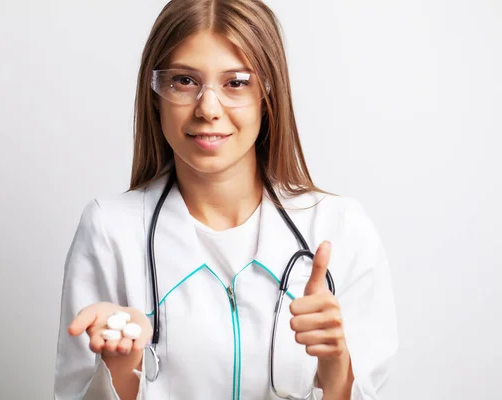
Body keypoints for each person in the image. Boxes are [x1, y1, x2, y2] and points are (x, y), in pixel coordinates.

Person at [53, 0, 397, 399]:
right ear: (155, 94)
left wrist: (337, 370)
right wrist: (122, 367)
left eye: (236, 82)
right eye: (184, 81)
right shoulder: (109, 231)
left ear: (269, 95)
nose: (208, 109)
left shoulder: (340, 229)